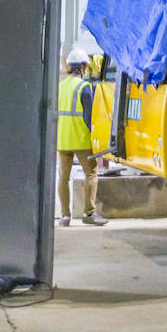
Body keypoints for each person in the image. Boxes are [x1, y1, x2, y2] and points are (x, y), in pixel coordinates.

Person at [56, 47, 107, 227]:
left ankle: (64, 216)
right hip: (81, 139)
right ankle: (89, 213)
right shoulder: (84, 88)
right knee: (91, 173)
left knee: (63, 177)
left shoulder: (59, 86)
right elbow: (88, 118)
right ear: (84, 67)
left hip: (62, 139)